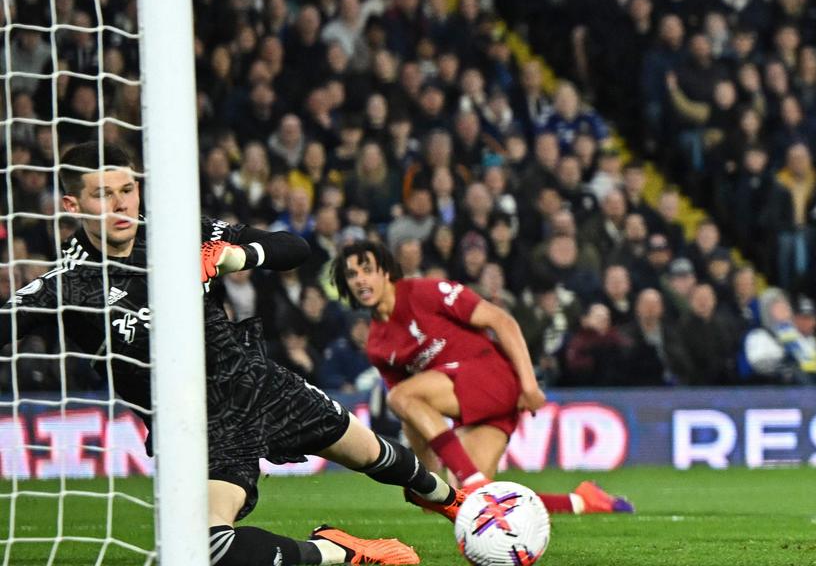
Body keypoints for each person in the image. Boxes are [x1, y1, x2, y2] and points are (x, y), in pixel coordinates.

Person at [2, 143, 451, 566]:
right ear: (72, 206)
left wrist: (236, 256)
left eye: (127, 190)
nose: (121, 205)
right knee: (209, 546)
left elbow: (295, 247)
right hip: (200, 430)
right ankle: (340, 552)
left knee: (379, 457)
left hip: (260, 384)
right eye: (103, 195)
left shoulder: (177, 233)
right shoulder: (66, 286)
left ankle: (458, 504)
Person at [332, 240, 634, 517]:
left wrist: (529, 384)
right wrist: (425, 477)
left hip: (491, 377)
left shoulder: (425, 292)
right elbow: (412, 417)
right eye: (351, 274)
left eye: (367, 269)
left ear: (386, 272)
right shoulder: (377, 345)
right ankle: (583, 501)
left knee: (402, 399)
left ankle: (472, 479)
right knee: (469, 500)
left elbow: (500, 320)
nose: (360, 279)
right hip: (469, 404)